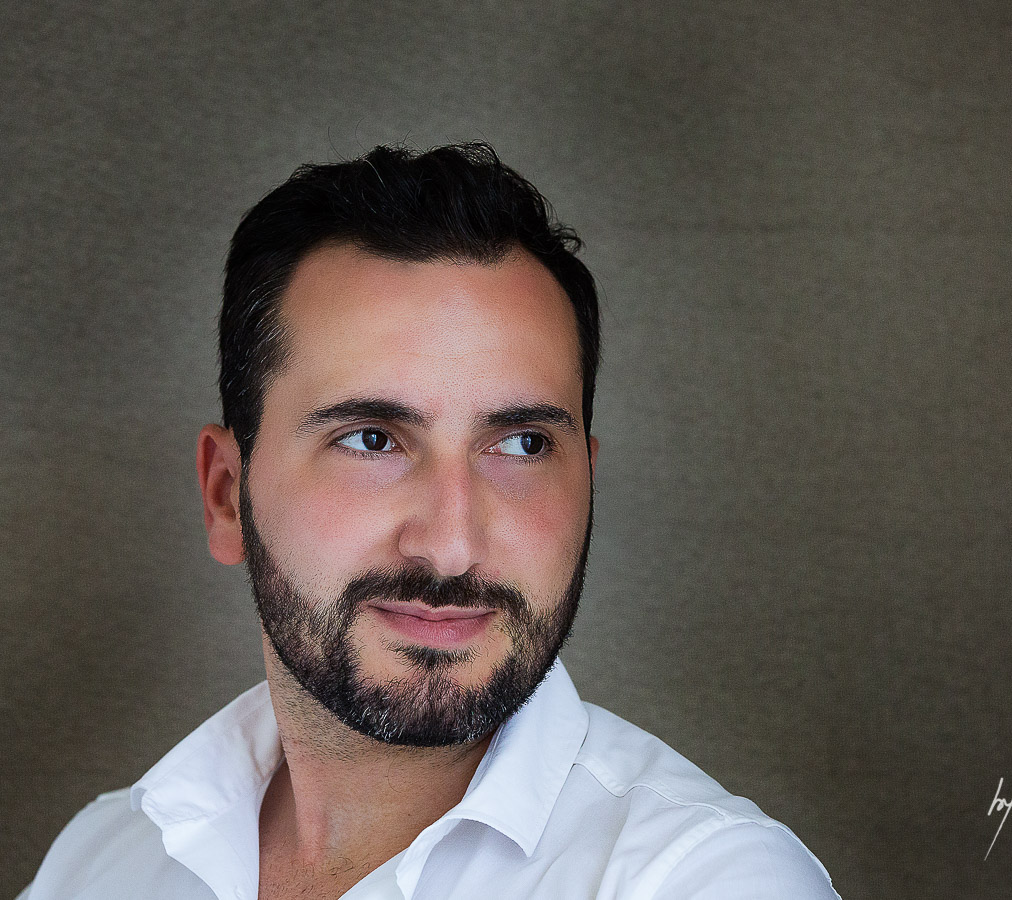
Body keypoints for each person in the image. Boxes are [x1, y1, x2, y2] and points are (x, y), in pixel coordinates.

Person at [21, 143, 839, 900]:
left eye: (520, 444)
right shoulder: (102, 860)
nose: (452, 545)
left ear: (589, 479)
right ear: (228, 495)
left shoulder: (704, 881)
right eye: (372, 440)